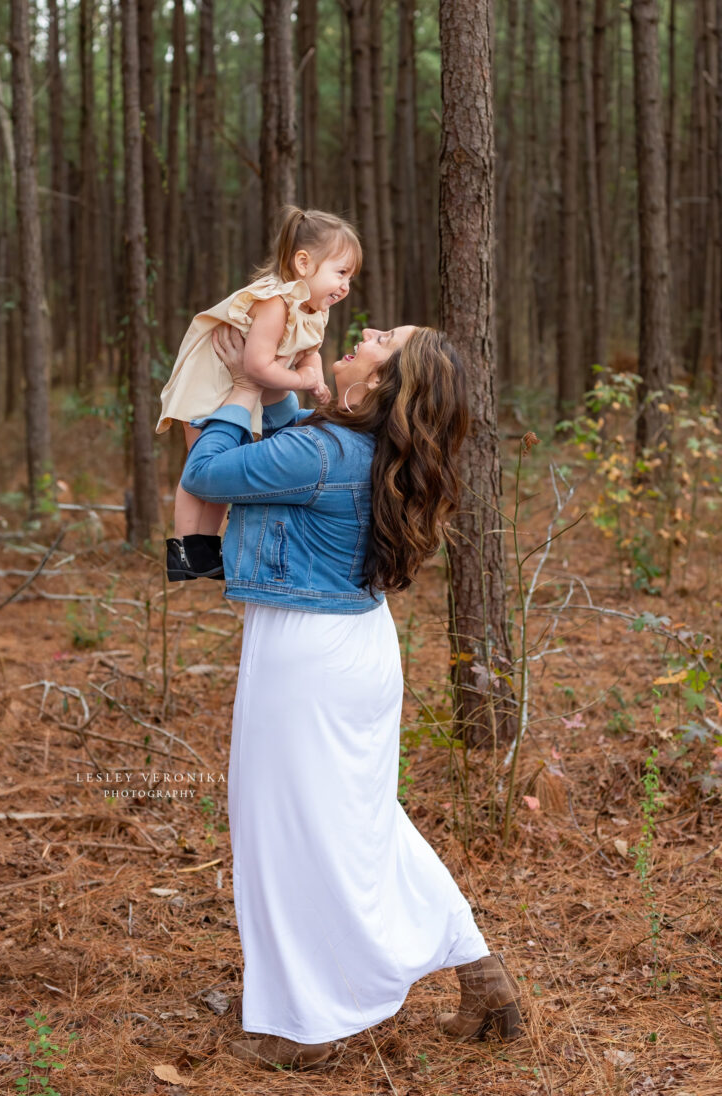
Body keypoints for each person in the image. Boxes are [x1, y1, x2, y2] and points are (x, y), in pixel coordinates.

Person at [180, 321, 523, 1070]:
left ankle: (308, 1027)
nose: (364, 329)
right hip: (351, 647)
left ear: (376, 384)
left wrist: (242, 386)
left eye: (380, 339)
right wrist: (293, 385)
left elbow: (207, 474)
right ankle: (481, 971)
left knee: (288, 836)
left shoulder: (320, 452)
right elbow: (285, 451)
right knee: (359, 824)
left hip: (308, 657)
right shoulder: (348, 447)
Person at [156, 205, 360, 582]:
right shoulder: (275, 303)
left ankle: (207, 546)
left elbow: (311, 352)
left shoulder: (315, 308)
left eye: (351, 276)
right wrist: (301, 381)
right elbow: (257, 367)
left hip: (242, 395)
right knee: (201, 468)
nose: (346, 285)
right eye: (341, 272)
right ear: (303, 263)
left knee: (224, 474)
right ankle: (185, 548)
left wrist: (314, 379)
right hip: (211, 385)